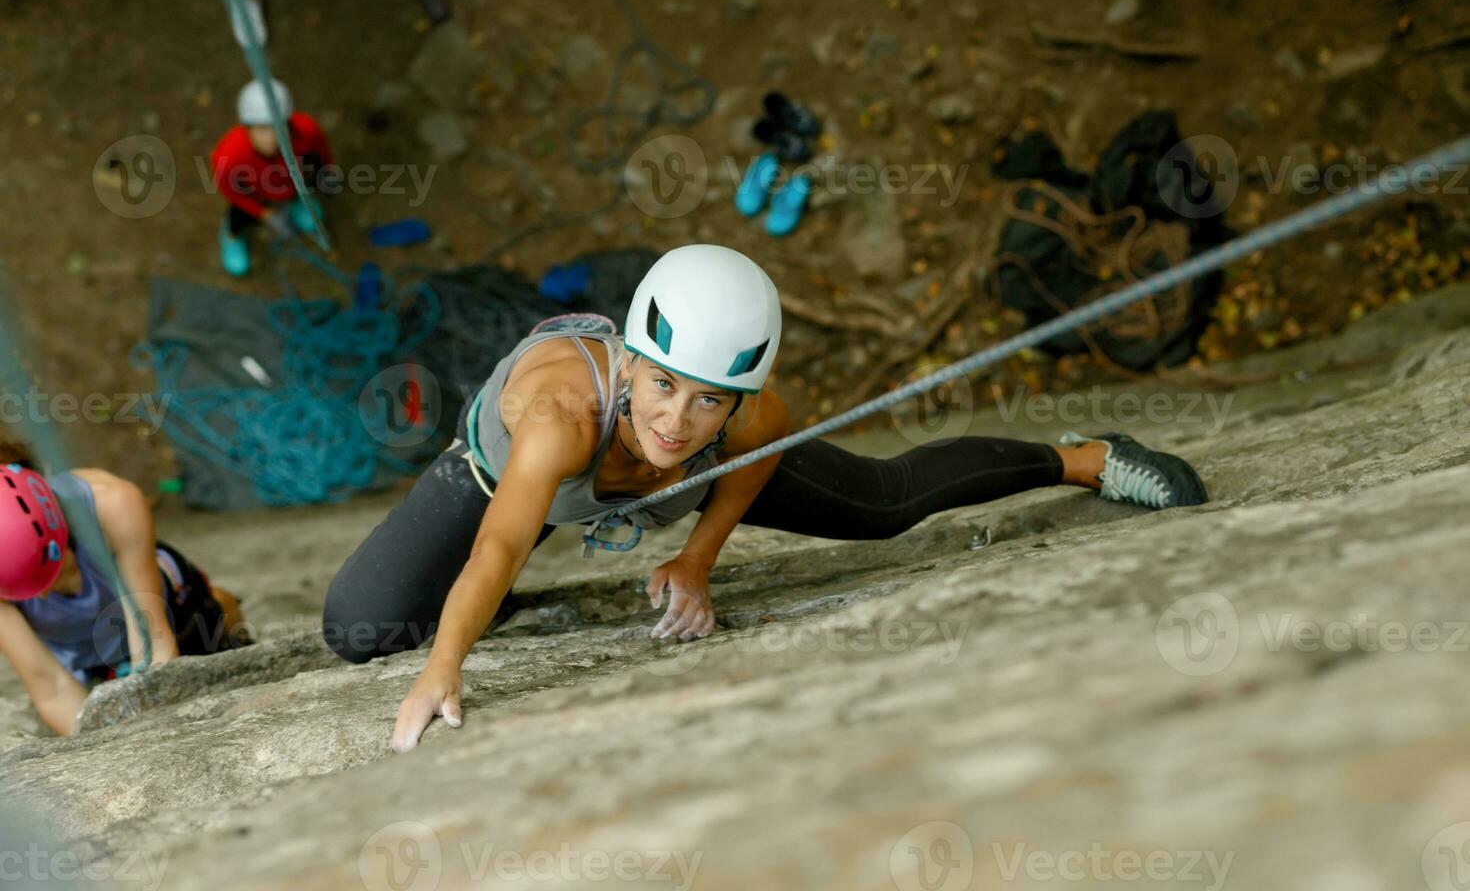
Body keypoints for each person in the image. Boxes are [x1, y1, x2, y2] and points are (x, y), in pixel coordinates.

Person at [320, 244, 1209, 752]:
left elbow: (750, 455)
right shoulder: (558, 416)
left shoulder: (736, 418)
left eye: (710, 397)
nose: (678, 417)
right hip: (526, 485)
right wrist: (446, 665)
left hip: (658, 498)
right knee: (359, 625)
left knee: (887, 501)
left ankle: (1088, 458)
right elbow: (497, 546)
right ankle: (469, 624)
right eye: (665, 385)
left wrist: (698, 560)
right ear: (631, 362)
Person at [0, 462, 252, 736]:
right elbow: (50, 686)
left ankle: (221, 603)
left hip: (160, 604)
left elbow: (155, 647)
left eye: (47, 581)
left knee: (211, 638)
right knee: (101, 704)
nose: (44, 595)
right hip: (75, 644)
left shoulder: (111, 503)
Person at [209, 79, 335, 277]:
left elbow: (322, 151)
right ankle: (232, 235)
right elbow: (232, 192)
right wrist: (263, 213)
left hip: (292, 183)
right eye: (262, 129)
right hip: (255, 192)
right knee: (239, 215)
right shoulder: (229, 156)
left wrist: (328, 171)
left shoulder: (305, 131)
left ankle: (297, 204)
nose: (271, 138)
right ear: (247, 127)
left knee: (305, 187)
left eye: (278, 127)